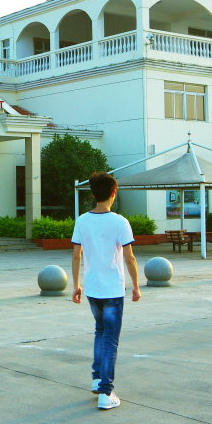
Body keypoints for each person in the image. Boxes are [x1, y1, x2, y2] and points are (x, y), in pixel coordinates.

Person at [71, 172, 141, 410]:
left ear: (92, 194)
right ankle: (106, 393)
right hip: (113, 289)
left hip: (92, 288)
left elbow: (76, 254)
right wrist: (136, 286)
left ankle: (97, 378)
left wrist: (76, 285)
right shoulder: (120, 222)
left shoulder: (82, 220)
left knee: (100, 332)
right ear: (114, 192)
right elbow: (130, 258)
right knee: (110, 340)